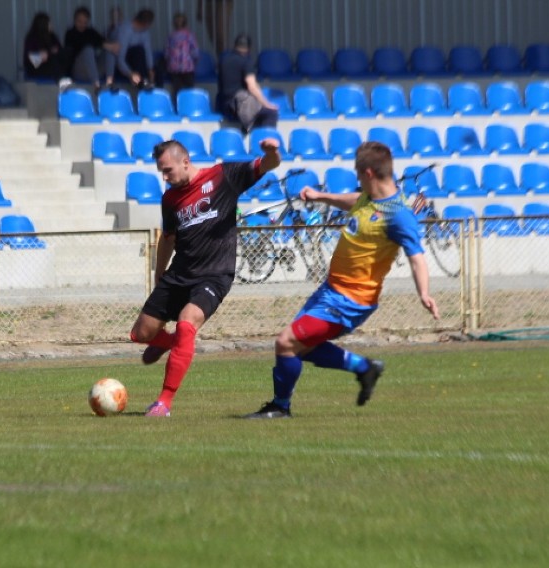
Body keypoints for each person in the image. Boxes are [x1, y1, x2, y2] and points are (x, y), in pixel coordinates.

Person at [245, 141, 441, 419]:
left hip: (351, 300)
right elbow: (352, 200)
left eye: (358, 174)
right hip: (330, 290)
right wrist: (319, 196)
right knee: (301, 347)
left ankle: (281, 406)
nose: (358, 180)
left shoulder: (398, 215)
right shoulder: (369, 199)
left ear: (369, 173)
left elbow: (417, 256)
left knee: (286, 342)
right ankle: (365, 368)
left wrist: (424, 293)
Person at [130, 137, 283, 417]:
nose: (164, 177)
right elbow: (168, 238)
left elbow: (268, 165)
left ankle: (164, 402)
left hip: (214, 275)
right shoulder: (170, 198)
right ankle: (174, 345)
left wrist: (272, 153)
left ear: (185, 162)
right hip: (179, 274)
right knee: (140, 334)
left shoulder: (224, 176)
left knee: (187, 324)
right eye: (161, 172)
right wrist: (159, 272)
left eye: (167, 170)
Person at [218, 33, 278, 133]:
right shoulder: (245, 62)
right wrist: (267, 104)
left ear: (235, 45)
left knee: (257, 114)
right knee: (270, 113)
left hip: (223, 105)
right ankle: (265, 144)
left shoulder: (224, 60)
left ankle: (247, 132)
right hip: (237, 105)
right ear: (249, 48)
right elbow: (252, 87)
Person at [64, 6, 119, 93]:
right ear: (75, 20)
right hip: (79, 70)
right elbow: (83, 43)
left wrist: (113, 46)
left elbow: (102, 41)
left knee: (109, 51)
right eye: (79, 21)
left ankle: (110, 82)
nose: (82, 24)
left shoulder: (90, 31)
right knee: (88, 50)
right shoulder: (70, 33)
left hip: (95, 69)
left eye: (85, 22)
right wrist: (104, 45)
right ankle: (96, 85)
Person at [109, 8, 156, 88]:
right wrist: (130, 73)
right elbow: (120, 58)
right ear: (145, 23)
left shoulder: (145, 31)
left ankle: (157, 96)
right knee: (138, 51)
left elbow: (148, 51)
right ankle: (142, 84)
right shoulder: (125, 30)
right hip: (122, 66)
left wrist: (151, 69)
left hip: (137, 64)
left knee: (157, 72)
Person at [23, 12, 67, 83]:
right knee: (54, 62)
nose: (51, 25)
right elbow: (31, 59)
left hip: (51, 64)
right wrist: (48, 53)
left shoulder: (52, 36)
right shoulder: (32, 38)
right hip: (38, 68)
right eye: (49, 23)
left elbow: (59, 49)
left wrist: (50, 53)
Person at [164, 12, 199, 97]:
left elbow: (166, 53)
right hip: (187, 67)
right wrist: (195, 61)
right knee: (189, 89)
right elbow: (195, 51)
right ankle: (189, 106)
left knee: (177, 90)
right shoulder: (189, 35)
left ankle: (177, 107)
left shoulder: (171, 36)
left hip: (174, 67)